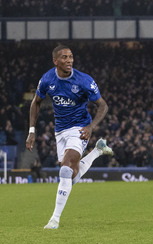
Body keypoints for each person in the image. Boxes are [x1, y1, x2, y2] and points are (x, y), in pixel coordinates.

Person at [26, 45, 113, 229]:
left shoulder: (83, 80)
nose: (69, 60)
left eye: (71, 56)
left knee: (65, 170)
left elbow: (103, 106)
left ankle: (54, 220)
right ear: (55, 61)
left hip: (80, 128)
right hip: (60, 131)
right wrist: (32, 131)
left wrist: (91, 126)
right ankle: (97, 151)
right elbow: (36, 102)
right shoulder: (47, 79)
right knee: (71, 177)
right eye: (64, 57)